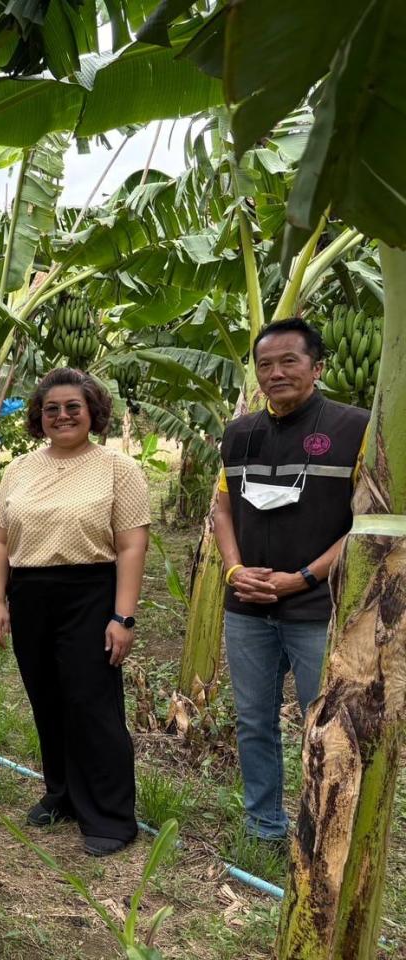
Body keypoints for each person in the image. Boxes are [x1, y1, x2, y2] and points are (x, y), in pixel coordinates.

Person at [213, 317, 369, 842]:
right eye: (265, 364)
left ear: (317, 367)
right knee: (253, 720)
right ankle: (263, 825)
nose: (275, 373)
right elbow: (222, 507)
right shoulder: (240, 434)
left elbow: (366, 523)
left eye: (289, 361)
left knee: (322, 724)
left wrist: (300, 578)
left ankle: (320, 831)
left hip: (318, 607)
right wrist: (235, 570)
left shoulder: (355, 429)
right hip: (248, 607)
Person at [0, 368, 150, 856]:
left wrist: (122, 618)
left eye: (73, 408)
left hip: (90, 591)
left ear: (92, 412)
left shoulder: (118, 470)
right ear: (39, 417)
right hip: (31, 592)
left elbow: (132, 545)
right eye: (51, 409)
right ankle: (61, 793)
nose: (62, 416)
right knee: (48, 699)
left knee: (91, 704)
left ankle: (110, 816)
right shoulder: (18, 469)